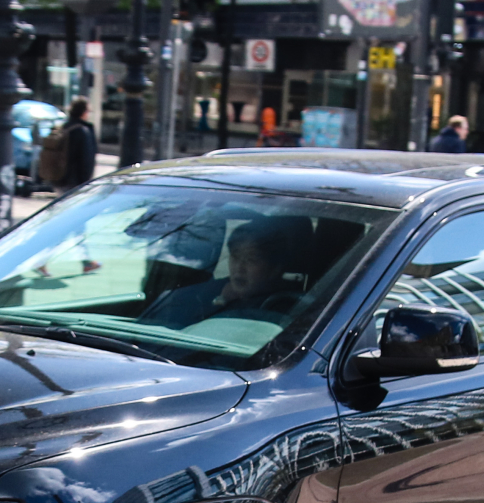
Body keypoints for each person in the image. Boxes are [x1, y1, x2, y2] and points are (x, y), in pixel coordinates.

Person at [140, 215, 312, 329]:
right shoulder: (203, 291)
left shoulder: (287, 307)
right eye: (235, 257)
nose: (239, 268)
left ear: (275, 268)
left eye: (251, 260)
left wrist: (227, 306)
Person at [59, 97, 98, 190]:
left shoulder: (64, 128)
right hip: (75, 182)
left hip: (59, 178)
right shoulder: (83, 131)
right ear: (83, 112)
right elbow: (87, 160)